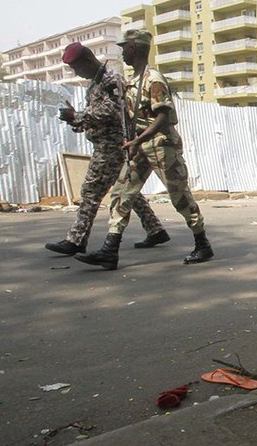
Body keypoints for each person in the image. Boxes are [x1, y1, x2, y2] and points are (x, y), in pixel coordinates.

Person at [76, 29, 213, 270]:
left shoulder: (153, 79)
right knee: (121, 193)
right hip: (139, 146)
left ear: (135, 48)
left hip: (161, 145)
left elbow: (164, 116)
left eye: (125, 47)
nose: (122, 52)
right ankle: (110, 250)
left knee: (179, 196)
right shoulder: (132, 81)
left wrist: (138, 140)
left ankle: (202, 244)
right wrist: (133, 141)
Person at [46, 42, 168, 256]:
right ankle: (155, 229)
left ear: (88, 60)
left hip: (112, 146)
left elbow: (113, 110)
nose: (76, 72)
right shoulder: (96, 83)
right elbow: (97, 115)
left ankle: (76, 240)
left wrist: (79, 116)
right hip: (108, 144)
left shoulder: (111, 80)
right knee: (127, 190)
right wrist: (77, 120)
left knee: (90, 191)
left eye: (76, 67)